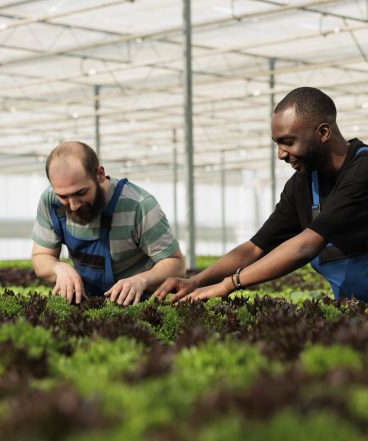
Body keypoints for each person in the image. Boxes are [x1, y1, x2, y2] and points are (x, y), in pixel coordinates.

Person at [154, 86, 368, 303]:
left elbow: (305, 245)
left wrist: (230, 284)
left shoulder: (363, 171)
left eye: (289, 142)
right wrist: (196, 281)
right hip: (356, 308)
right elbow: (255, 247)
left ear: (323, 132)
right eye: (277, 144)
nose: (281, 154)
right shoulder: (302, 185)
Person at [31, 141, 185, 305]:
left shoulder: (139, 205)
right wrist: (58, 268)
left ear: (100, 174)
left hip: (139, 304)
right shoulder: (50, 201)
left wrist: (141, 280)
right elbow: (41, 257)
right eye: (63, 196)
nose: (74, 205)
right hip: (85, 302)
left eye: (81, 193)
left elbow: (177, 264)